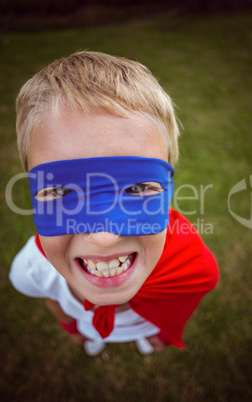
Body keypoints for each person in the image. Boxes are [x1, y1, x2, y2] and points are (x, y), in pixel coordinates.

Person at [9, 51, 219, 356]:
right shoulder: (34, 269)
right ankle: (93, 340)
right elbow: (52, 298)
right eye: (61, 191)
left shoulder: (195, 270)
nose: (104, 238)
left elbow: (185, 300)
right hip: (86, 327)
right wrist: (71, 327)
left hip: (145, 327)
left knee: (147, 342)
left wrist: (164, 331)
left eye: (136, 188)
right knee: (92, 339)